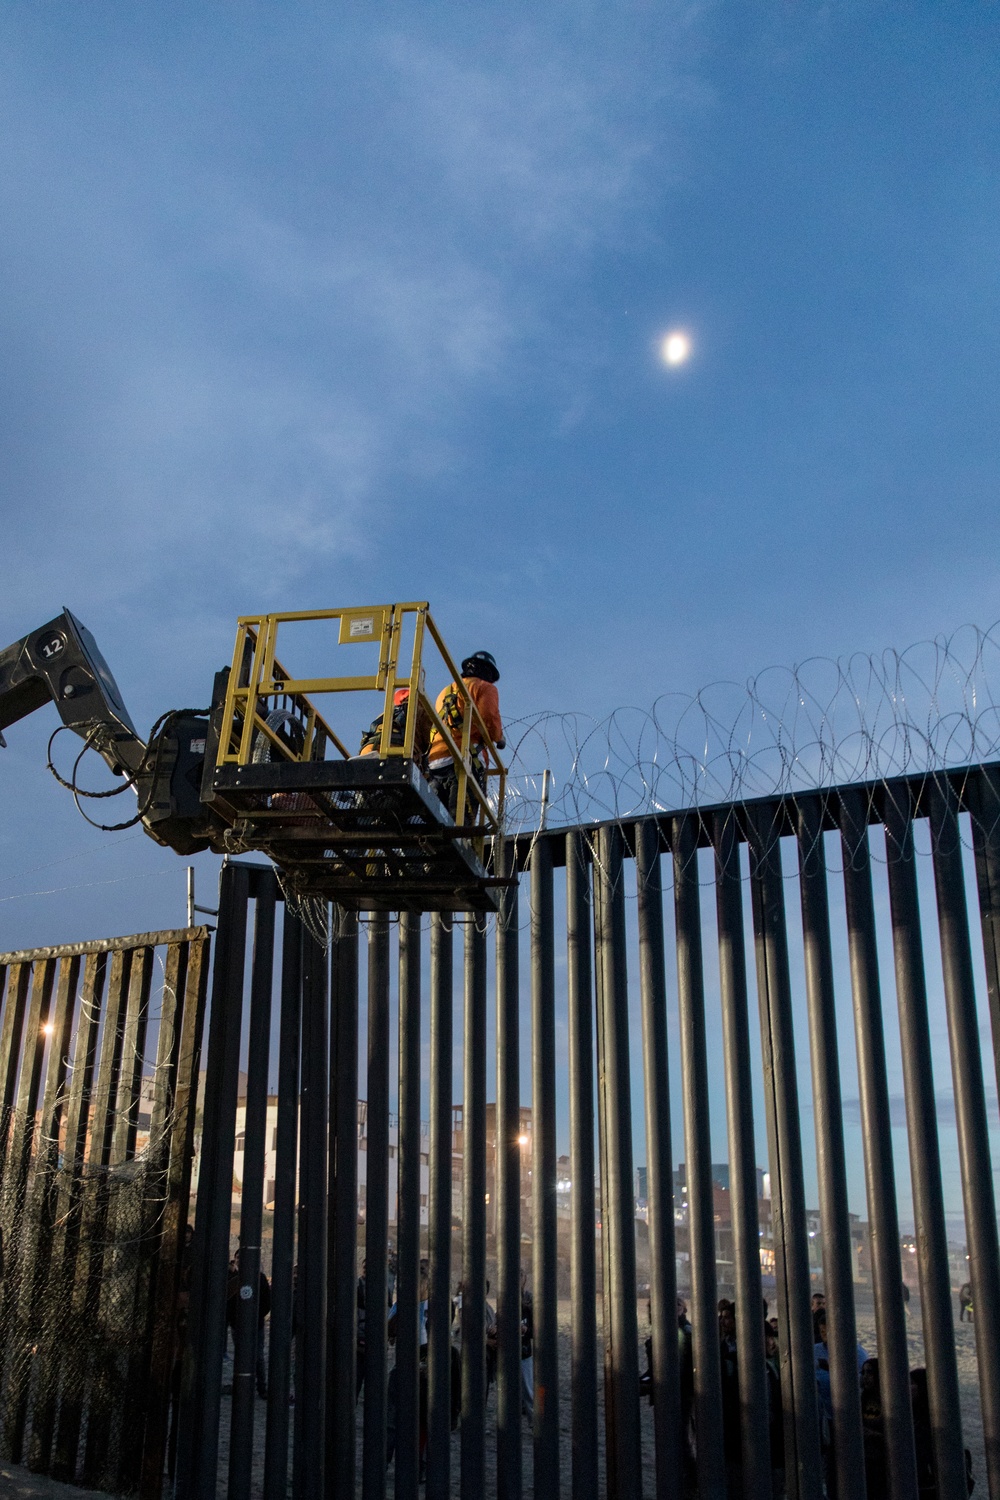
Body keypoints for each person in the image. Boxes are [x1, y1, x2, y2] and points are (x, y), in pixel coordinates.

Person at [426, 652, 505, 818]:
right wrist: (498, 738)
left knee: (434, 818)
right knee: (461, 822)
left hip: (435, 762)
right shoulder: (485, 687)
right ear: (489, 673)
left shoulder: (446, 691)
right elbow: (488, 717)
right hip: (465, 759)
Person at [356, 687, 431, 766]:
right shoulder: (423, 712)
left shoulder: (384, 714)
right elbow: (431, 741)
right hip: (398, 754)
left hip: (368, 750)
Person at [519, 1267, 534, 1421]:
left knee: (529, 1391)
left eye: (521, 1275)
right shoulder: (505, 1298)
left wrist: (526, 1329)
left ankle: (534, 1422)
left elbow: (536, 1328)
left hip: (525, 1351)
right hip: (507, 1353)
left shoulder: (529, 1299)